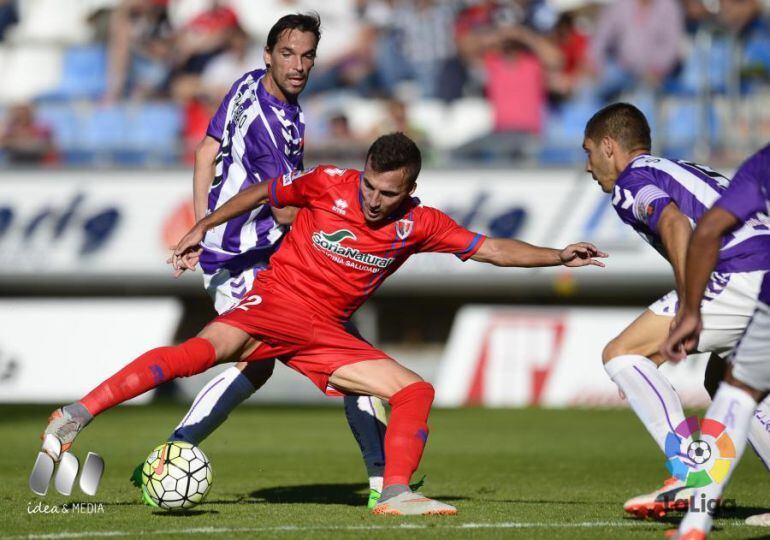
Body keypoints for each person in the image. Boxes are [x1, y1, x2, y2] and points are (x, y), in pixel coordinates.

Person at [41, 132, 607, 516]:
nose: (375, 201)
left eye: (389, 194)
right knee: (200, 352)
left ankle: (393, 492)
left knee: (414, 390)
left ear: (410, 190)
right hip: (277, 301)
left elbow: (490, 250)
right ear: (361, 173)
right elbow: (267, 191)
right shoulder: (328, 182)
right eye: (369, 187)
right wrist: (204, 226)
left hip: (325, 332)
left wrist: (557, 255)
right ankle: (75, 413)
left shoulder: (420, 224)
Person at [139, 12, 391, 508]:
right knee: (274, 359)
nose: (298, 66)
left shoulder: (248, 84)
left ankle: (385, 480)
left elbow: (205, 152)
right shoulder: (274, 127)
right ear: (268, 55)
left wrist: (200, 225)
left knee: (325, 354)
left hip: (254, 251)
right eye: (288, 54)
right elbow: (281, 207)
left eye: (308, 56)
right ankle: (175, 452)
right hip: (242, 257)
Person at [582, 103, 770, 518]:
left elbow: (674, 224)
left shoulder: (632, 181)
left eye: (589, 151)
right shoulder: (682, 168)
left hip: (741, 270)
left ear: (610, 146)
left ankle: (691, 472)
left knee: (622, 354)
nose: (588, 166)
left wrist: (689, 305)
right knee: (727, 379)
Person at [661, 145, 770, 538]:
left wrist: (691, 309)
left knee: (734, 393)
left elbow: (708, 228)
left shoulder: (762, 162)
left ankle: (695, 524)